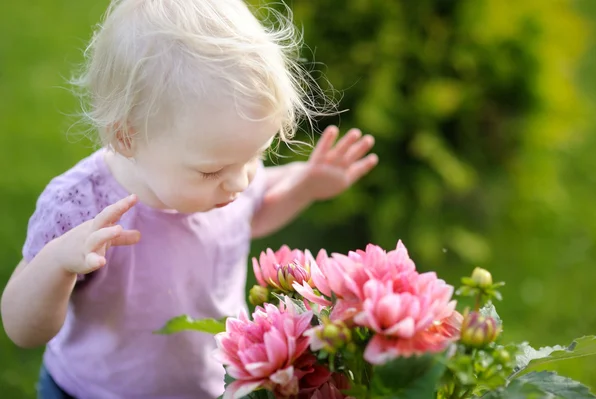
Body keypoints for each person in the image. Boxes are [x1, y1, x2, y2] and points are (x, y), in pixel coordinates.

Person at [0, 0, 378, 398]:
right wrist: (58, 264)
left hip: (209, 389)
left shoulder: (222, 177)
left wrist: (304, 187)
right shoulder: (82, 208)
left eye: (255, 155)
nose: (239, 183)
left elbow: (252, 215)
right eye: (211, 171)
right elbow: (22, 328)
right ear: (127, 137)